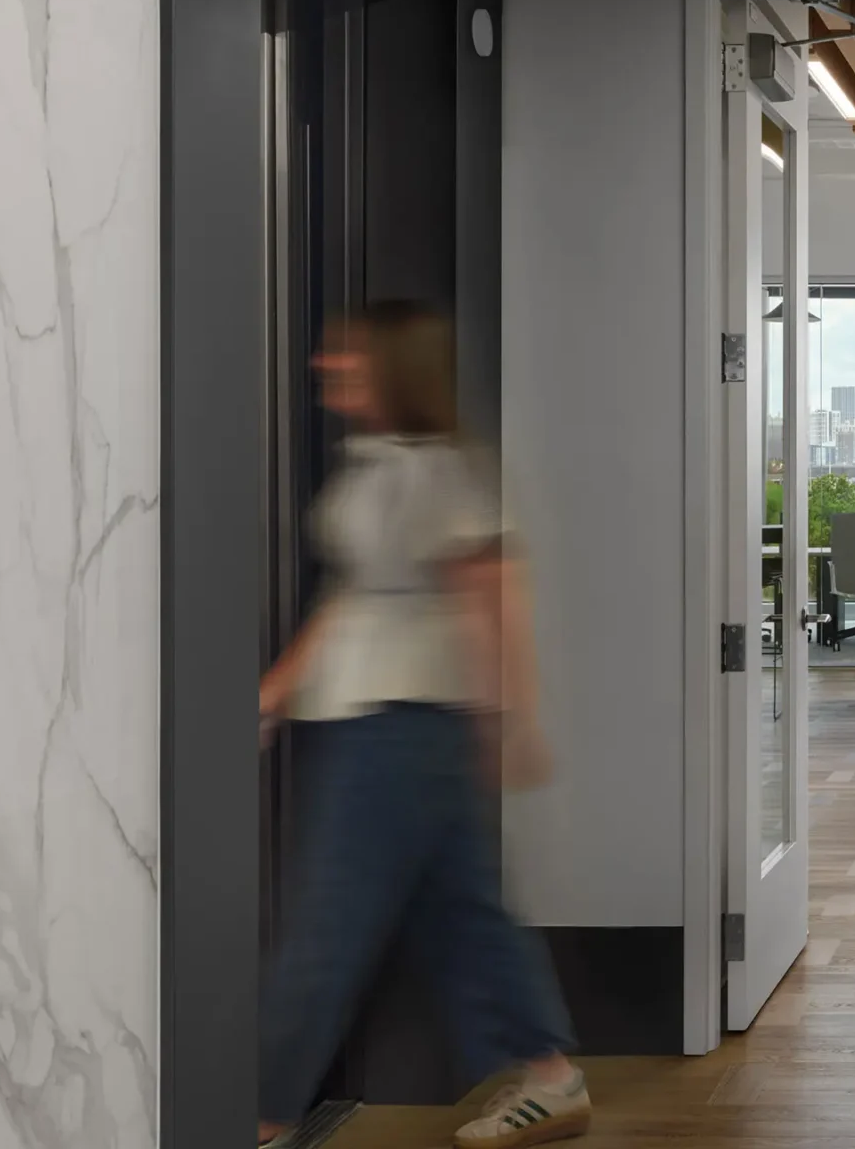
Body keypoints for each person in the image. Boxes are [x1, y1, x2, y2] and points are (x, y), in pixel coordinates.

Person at [255, 302, 589, 1149]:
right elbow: (357, 593)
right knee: (462, 911)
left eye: (348, 354)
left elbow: (496, 595)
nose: (326, 362)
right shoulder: (379, 465)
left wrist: (514, 719)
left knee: (331, 921)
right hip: (383, 717)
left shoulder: (441, 473)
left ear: (395, 367)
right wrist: (281, 686)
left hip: (403, 724)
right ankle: (551, 1079)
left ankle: (262, 1115)